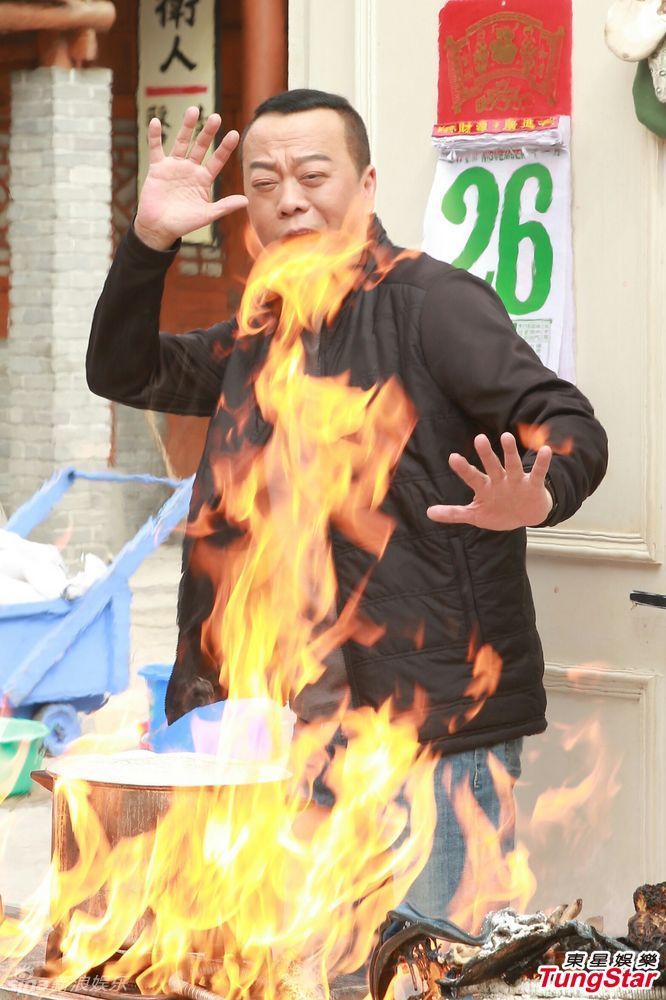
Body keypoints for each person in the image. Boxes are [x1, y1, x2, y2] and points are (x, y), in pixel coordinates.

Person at [86, 89, 608, 917]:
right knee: (307, 964)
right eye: (265, 182)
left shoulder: (434, 303)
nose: (288, 198)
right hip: (286, 735)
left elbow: (568, 423)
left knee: (429, 962)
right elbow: (123, 371)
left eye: (312, 175)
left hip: (429, 735)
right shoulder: (263, 330)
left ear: (366, 185)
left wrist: (538, 497)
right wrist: (150, 243)